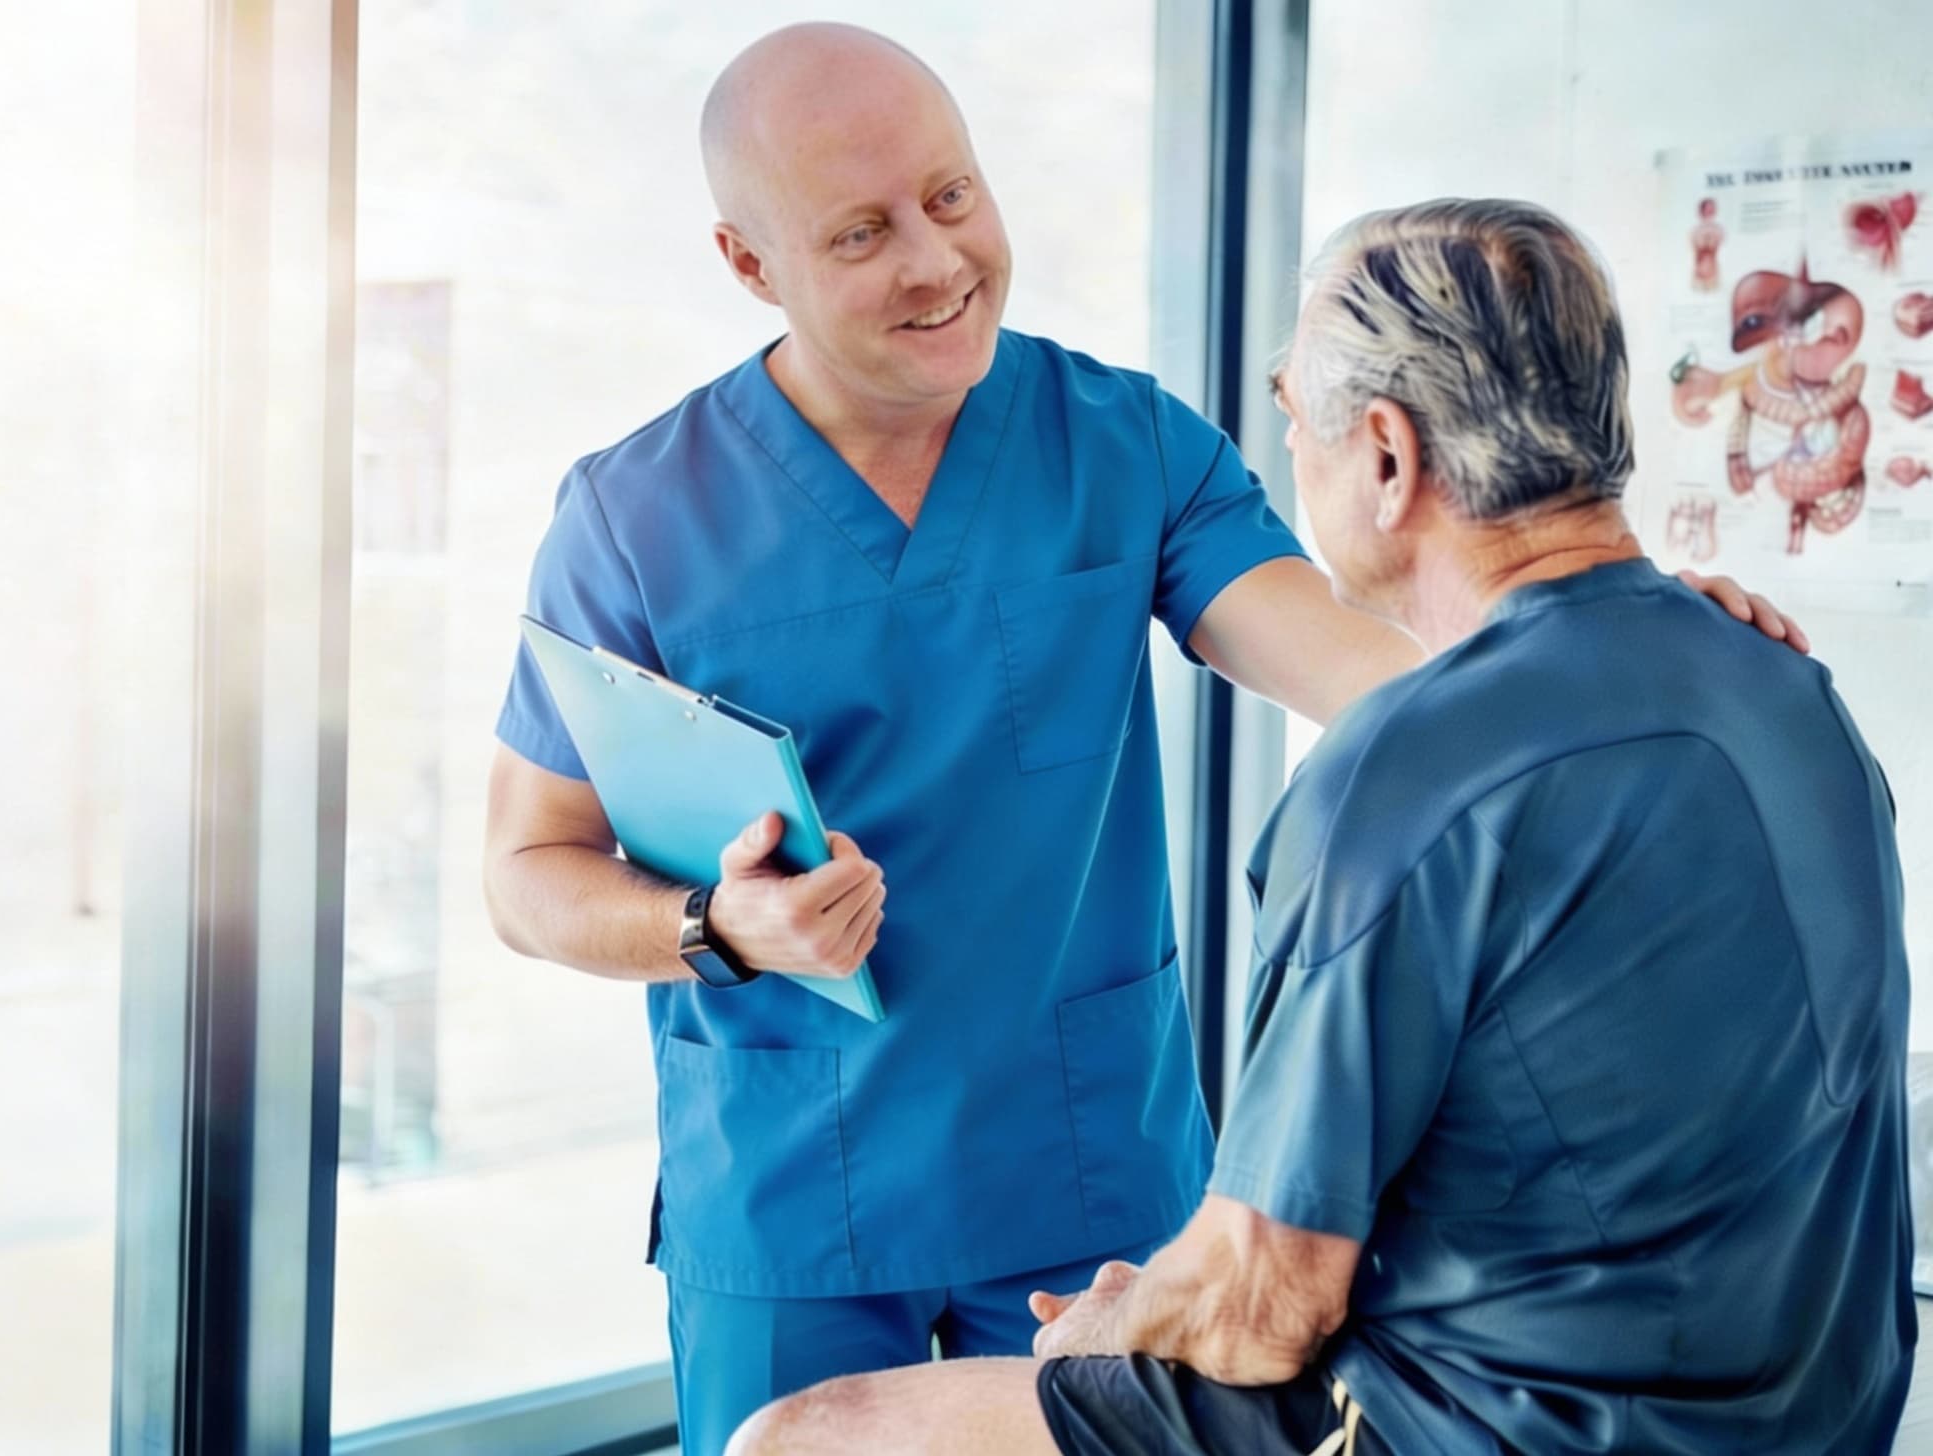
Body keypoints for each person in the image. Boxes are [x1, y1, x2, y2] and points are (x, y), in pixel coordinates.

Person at [482, 26, 1806, 1453]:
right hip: (794, 1188)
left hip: (1087, 1180)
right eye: (861, 233)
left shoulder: (1122, 445)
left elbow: (1385, 680)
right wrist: (718, 924)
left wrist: (1616, 635)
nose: (936, 263)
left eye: (952, 197)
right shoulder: (632, 515)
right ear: (750, 263)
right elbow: (528, 870)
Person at [725, 198, 1915, 1456]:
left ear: (1388, 459)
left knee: (808, 1435)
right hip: (1809, 1417)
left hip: (1495, 1430)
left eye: (1295, 414)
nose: (1288, 449)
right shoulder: (1790, 688)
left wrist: (1111, 1329)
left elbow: (1261, 1315)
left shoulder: (1398, 779)